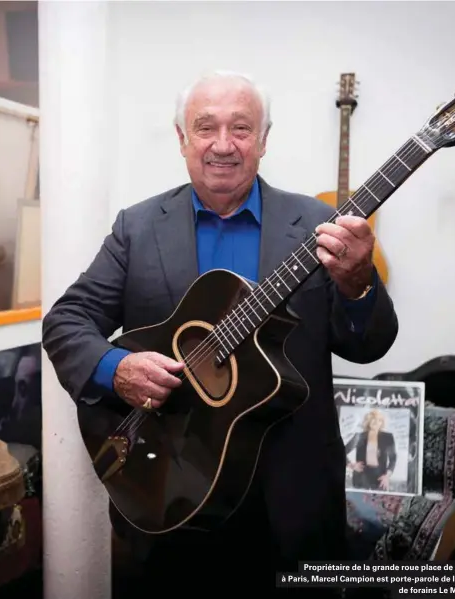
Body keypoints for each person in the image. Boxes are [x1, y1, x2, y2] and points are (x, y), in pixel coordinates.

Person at [42, 69, 399, 596]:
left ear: (264, 140)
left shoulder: (319, 225)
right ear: (182, 138)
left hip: (292, 502)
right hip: (169, 490)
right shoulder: (137, 229)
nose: (223, 145)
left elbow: (367, 345)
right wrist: (116, 370)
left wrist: (358, 284)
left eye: (242, 128)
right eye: (206, 128)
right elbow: (66, 321)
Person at [348, 410, 397, 492]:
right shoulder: (359, 436)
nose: (376, 422)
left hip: (380, 478)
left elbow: (393, 458)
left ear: (382, 423)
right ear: (368, 421)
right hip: (361, 477)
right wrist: (352, 465)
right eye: (373, 419)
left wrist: (387, 476)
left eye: (379, 420)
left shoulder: (388, 437)